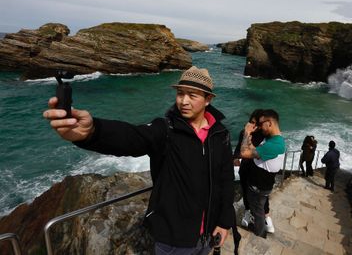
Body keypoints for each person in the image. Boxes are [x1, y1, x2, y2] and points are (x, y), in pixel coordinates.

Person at [43, 66, 235, 255]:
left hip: (209, 234)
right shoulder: (166, 130)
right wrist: (92, 132)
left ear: (208, 99)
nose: (184, 101)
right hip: (173, 239)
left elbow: (225, 180)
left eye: (192, 95)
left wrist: (224, 222)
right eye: (180, 93)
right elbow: (132, 138)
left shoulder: (220, 134)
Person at [239, 109, 285, 238]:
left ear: (269, 123)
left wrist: (246, 133)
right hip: (262, 185)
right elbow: (254, 150)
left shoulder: (273, 144)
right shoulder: (274, 140)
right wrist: (249, 138)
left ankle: (259, 234)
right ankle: (261, 229)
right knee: (260, 209)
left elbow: (244, 153)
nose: (259, 127)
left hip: (258, 187)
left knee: (258, 212)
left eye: (260, 123)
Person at [233, 110, 274, 233]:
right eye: (251, 122)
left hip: (259, 171)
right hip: (246, 168)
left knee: (262, 196)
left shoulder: (266, 137)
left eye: (258, 124)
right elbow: (239, 148)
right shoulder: (244, 133)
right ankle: (247, 212)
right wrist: (235, 157)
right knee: (246, 191)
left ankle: (266, 216)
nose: (254, 126)